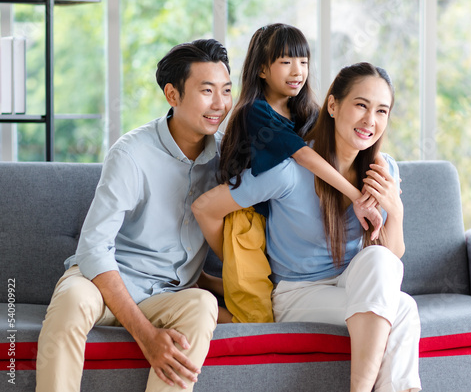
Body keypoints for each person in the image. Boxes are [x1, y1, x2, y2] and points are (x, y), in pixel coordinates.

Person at [192, 62, 421, 392]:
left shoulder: (385, 171)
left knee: (382, 262)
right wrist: (234, 267)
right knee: (404, 310)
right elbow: (205, 208)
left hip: (355, 282)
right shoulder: (288, 172)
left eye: (381, 111)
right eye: (361, 105)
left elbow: (392, 257)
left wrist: (394, 212)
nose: (371, 121)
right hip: (297, 292)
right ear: (333, 105)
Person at [36, 39, 233, 392]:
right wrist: (146, 336)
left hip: (168, 295)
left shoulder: (225, 159)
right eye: (207, 91)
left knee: (202, 303)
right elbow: (94, 248)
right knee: (72, 300)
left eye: (226, 90)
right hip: (105, 282)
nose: (219, 104)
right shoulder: (131, 153)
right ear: (172, 95)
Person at [217, 24, 383, 323]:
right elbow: (305, 155)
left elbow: (351, 139)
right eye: (286, 62)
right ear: (262, 69)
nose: (297, 71)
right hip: (247, 213)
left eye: (303, 62)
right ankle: (215, 286)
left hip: (281, 216)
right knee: (255, 312)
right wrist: (356, 195)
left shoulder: (304, 109)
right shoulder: (255, 111)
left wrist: (378, 166)